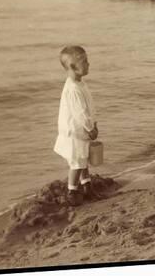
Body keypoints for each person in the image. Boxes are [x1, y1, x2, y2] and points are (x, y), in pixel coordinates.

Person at [53, 46, 102, 206]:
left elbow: (88, 107)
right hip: (75, 132)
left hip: (82, 131)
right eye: (85, 61)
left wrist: (93, 123)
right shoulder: (73, 89)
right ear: (73, 67)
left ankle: (86, 186)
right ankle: (72, 191)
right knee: (76, 163)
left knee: (83, 159)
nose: (89, 64)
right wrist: (90, 127)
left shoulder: (80, 83)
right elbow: (80, 112)